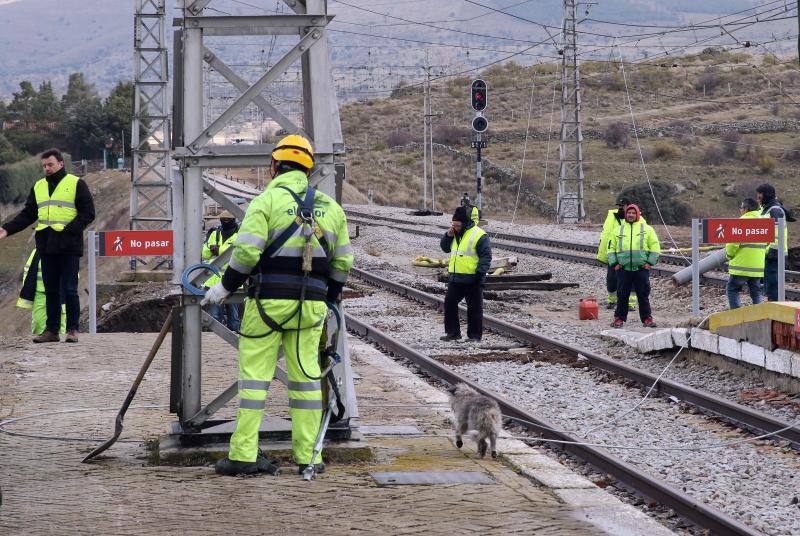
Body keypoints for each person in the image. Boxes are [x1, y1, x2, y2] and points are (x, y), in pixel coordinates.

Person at [202, 134, 353, 477]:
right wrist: (328, 297)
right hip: (311, 309)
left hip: (267, 306)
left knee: (254, 382)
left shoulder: (266, 201)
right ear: (309, 168)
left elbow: (246, 253)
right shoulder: (331, 209)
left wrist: (223, 289)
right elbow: (343, 263)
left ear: (274, 166)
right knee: (306, 383)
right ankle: (309, 456)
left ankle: (243, 455)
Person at [0, 149, 95, 343]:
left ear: (61, 164)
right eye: (44, 166)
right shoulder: (38, 186)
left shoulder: (76, 184)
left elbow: (88, 213)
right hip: (47, 245)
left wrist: (69, 230)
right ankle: (52, 331)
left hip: (68, 245)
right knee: (51, 290)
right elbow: (28, 215)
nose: (47, 169)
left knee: (69, 289)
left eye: (50, 164)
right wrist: (6, 229)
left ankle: (72, 330)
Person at [439, 206, 492, 342]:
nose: (455, 227)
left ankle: (474, 336)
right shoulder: (454, 234)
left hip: (473, 278)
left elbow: (486, 256)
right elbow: (445, 248)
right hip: (456, 278)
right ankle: (453, 333)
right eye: (453, 224)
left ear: (465, 223)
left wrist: (480, 273)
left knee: (474, 308)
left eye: (457, 225)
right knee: (449, 303)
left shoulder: (479, 235)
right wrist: (448, 235)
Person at [608, 204, 660, 328]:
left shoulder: (647, 229)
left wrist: (650, 263)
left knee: (643, 296)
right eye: (629, 213)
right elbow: (610, 248)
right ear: (626, 215)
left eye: (633, 213)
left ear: (637, 214)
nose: (631, 215)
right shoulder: (618, 230)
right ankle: (619, 319)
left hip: (641, 269)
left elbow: (655, 246)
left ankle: (647, 319)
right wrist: (614, 263)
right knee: (622, 295)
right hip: (623, 270)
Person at [596, 195, 639, 311]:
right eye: (618, 205)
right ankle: (612, 301)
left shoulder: (637, 219)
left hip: (630, 255)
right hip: (614, 254)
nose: (620, 208)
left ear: (628, 206)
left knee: (632, 279)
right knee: (612, 279)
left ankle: (631, 303)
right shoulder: (612, 217)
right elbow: (607, 235)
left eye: (622, 206)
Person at [202, 210, 241, 332]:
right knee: (214, 315)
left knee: (233, 316)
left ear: (234, 220)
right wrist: (214, 249)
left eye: (228, 220)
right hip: (214, 280)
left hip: (233, 280)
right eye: (223, 219)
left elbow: (238, 252)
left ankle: (232, 339)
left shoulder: (240, 234)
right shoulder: (216, 233)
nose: (225, 222)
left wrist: (218, 249)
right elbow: (205, 253)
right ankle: (216, 340)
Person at [756, 183, 795, 301]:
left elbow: (778, 232)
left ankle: (775, 303)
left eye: (759, 194)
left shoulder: (775, 210)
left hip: (775, 252)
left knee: (773, 281)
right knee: (769, 280)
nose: (758, 197)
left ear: (765, 194)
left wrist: (771, 250)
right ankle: (772, 302)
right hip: (768, 251)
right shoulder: (766, 208)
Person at [725, 198, 767, 309]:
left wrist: (729, 256)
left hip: (741, 266)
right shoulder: (764, 222)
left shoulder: (740, 222)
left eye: (741, 208)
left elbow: (732, 245)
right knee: (756, 292)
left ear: (746, 209)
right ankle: (759, 316)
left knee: (732, 289)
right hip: (757, 267)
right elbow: (767, 243)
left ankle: (737, 316)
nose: (740, 210)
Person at [16, 247, 66, 335]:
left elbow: (72, 273)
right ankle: (41, 343)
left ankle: (60, 345)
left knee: (60, 323)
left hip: (59, 294)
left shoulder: (65, 251)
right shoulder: (37, 251)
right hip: (40, 294)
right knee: (38, 323)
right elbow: (28, 270)